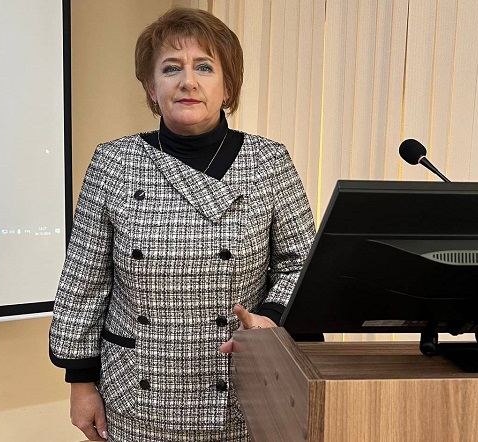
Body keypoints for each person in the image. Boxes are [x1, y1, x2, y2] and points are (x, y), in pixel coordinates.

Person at [49, 7, 315, 442]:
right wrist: (81, 383)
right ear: (151, 88)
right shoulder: (114, 162)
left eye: (204, 67)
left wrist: (269, 317)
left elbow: (300, 264)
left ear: (228, 87)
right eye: (171, 68)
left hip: (243, 384)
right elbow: (85, 279)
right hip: (136, 393)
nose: (188, 81)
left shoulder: (269, 161)